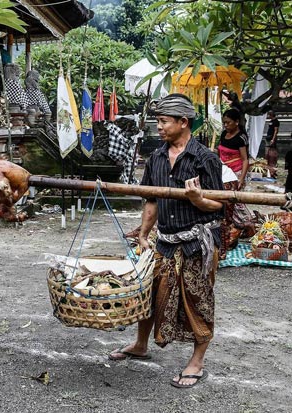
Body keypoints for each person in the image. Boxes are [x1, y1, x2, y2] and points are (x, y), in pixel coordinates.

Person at [109, 94, 224, 389]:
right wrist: (145, 234)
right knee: (149, 295)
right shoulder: (157, 158)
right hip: (165, 242)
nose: (158, 127)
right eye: (157, 121)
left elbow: (220, 206)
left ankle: (197, 362)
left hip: (196, 243)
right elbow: (151, 199)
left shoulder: (205, 159)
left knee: (198, 301)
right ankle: (140, 344)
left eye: (163, 121)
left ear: (183, 123)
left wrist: (199, 199)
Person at [218, 109, 255, 237]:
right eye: (224, 123)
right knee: (227, 202)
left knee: (237, 202)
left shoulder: (240, 138)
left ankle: (249, 224)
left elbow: (245, 160)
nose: (226, 125)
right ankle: (235, 226)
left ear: (237, 122)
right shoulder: (223, 134)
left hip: (237, 172)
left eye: (228, 122)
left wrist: (241, 179)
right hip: (224, 172)